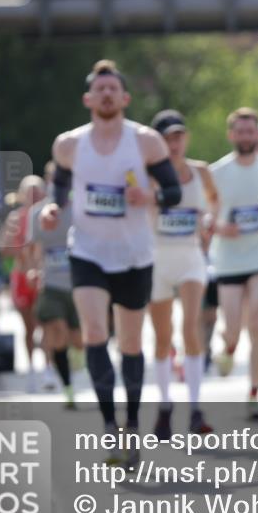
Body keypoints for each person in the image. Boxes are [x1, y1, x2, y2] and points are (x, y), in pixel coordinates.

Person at [40, 59, 181, 466]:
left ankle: (132, 424)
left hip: (135, 254)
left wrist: (150, 197)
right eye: (98, 89)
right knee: (96, 332)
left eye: (112, 89)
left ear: (124, 98)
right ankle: (108, 427)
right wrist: (52, 208)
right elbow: (60, 188)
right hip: (87, 252)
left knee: (133, 343)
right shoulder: (69, 144)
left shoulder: (146, 141)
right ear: (88, 98)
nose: (105, 94)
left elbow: (171, 191)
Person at [208, 108, 258, 420]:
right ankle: (227, 348)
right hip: (227, 259)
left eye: (250, 131)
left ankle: (253, 392)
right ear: (231, 135)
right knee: (235, 328)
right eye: (240, 131)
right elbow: (202, 213)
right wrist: (218, 227)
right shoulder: (216, 172)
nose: (246, 136)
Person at [147, 110, 219, 437]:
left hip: (190, 257)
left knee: (191, 327)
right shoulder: (147, 175)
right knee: (163, 337)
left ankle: (195, 409)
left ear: (185, 138)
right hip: (156, 262)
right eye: (167, 138)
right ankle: (164, 406)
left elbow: (215, 202)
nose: (174, 143)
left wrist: (208, 221)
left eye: (178, 136)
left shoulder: (200, 172)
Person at [28, 162, 81, 409]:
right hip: (51, 283)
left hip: (81, 285)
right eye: (54, 179)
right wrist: (33, 269)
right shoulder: (38, 213)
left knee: (79, 341)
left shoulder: (81, 208)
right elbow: (34, 246)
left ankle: (76, 365)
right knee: (57, 331)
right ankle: (67, 387)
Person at [2, 176, 46, 392]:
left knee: (46, 324)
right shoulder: (15, 218)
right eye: (30, 192)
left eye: (38, 192)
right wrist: (21, 248)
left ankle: (48, 369)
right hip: (21, 277)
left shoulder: (48, 216)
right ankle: (31, 369)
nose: (34, 196)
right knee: (28, 327)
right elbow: (3, 249)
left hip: (43, 276)